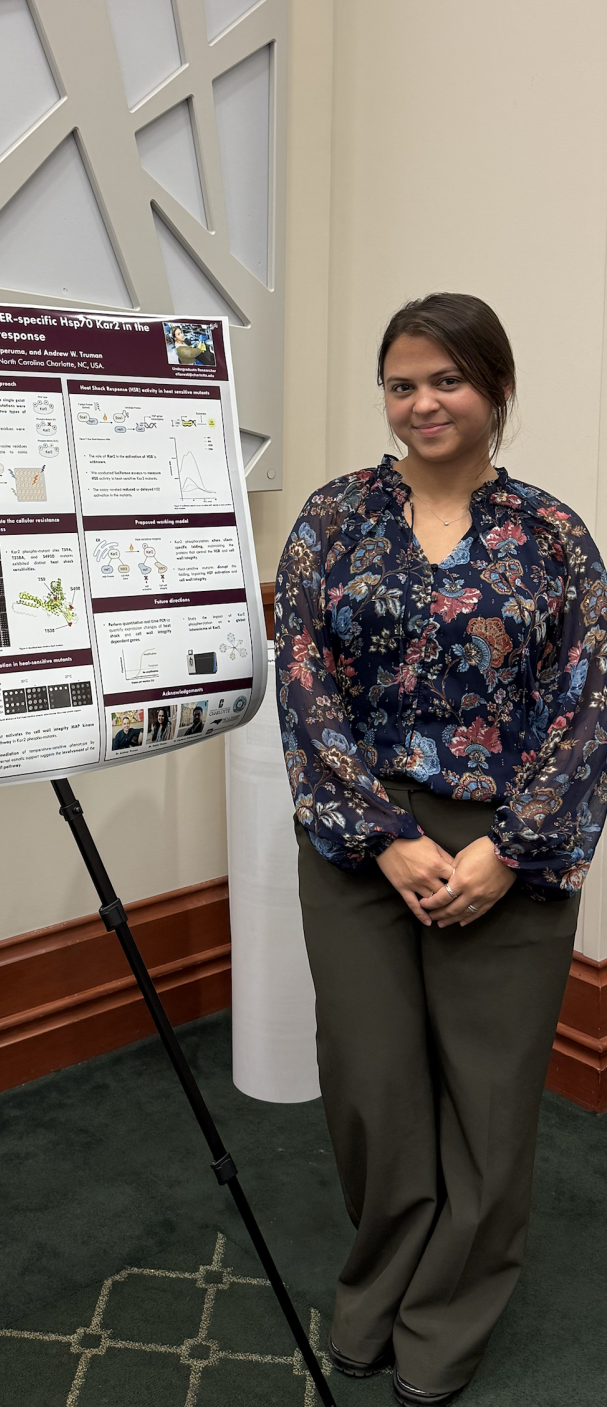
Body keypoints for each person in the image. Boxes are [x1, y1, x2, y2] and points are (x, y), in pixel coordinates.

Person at [274, 293, 607, 1406]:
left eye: (446, 380)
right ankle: (374, 1291)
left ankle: (447, 1318)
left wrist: (505, 853)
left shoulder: (553, 537)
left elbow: (585, 706)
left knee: (487, 1095)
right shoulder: (332, 518)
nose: (422, 402)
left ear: (495, 390)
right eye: (401, 382)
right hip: (362, 840)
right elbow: (305, 683)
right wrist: (383, 837)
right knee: (370, 1085)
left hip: (506, 849)